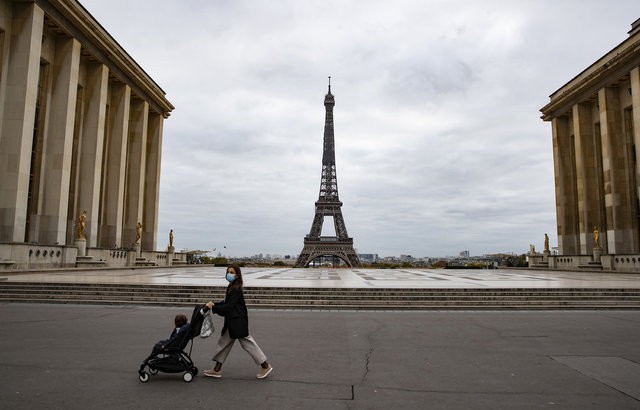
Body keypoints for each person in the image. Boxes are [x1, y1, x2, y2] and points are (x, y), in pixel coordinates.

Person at [202, 264, 273, 379]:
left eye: (232, 272)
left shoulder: (236, 288)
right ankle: (216, 369)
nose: (229, 274)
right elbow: (226, 303)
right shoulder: (232, 286)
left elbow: (229, 306)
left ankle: (265, 365)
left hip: (237, 322)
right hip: (233, 321)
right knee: (224, 344)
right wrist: (214, 304)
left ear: (237, 275)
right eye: (228, 272)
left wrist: (213, 307)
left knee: (248, 344)